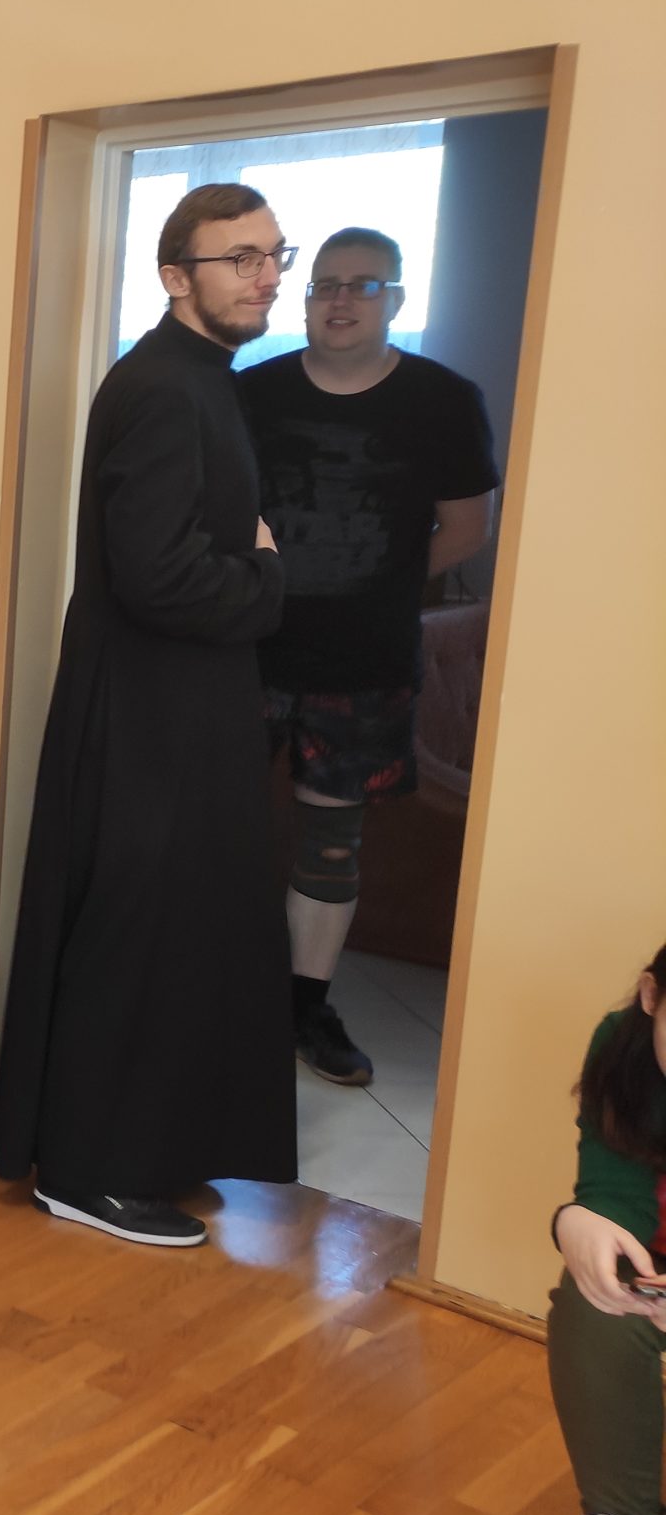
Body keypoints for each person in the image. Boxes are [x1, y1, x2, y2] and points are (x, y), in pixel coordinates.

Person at [0, 183, 296, 1248]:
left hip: (176, 714)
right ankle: (89, 1170)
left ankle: (138, 1150)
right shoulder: (164, 387)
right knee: (132, 938)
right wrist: (267, 577)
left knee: (172, 938)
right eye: (238, 258)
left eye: (273, 255)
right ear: (176, 276)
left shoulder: (198, 377)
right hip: (146, 722)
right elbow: (160, 576)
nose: (264, 276)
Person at [239, 226, 498, 1085]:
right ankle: (211, 995)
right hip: (245, 652)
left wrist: (376, 582)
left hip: (367, 661)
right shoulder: (253, 393)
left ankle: (305, 1008)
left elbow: (466, 529)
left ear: (396, 299)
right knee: (211, 824)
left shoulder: (444, 400)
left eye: (363, 285)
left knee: (331, 843)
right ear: (307, 298)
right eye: (325, 285)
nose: (341, 300)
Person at [535, 940, 666, 1515]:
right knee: (594, 1305)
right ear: (651, 998)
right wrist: (578, 1222)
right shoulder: (623, 1050)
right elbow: (612, 1191)